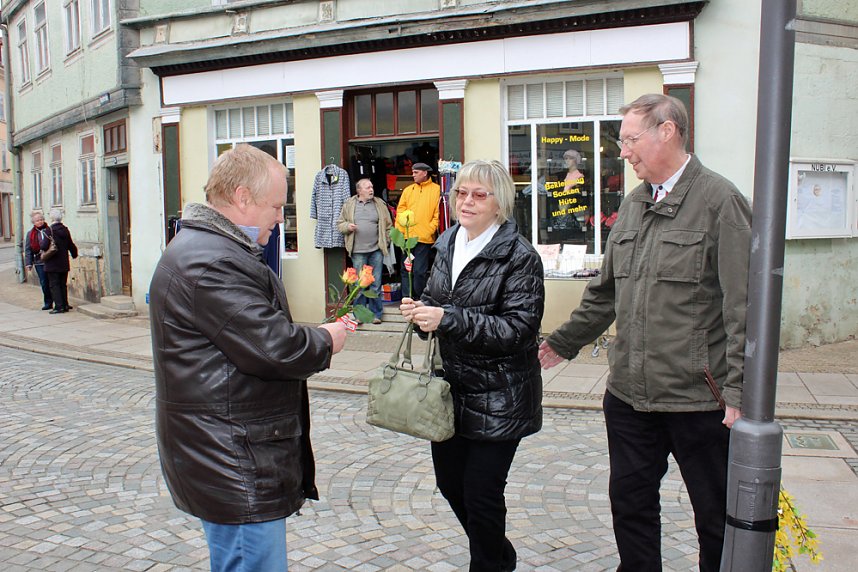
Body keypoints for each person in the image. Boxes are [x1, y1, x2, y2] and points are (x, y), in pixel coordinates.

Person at [538, 94, 752, 572]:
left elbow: (744, 306)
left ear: (667, 132)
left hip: (699, 399)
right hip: (629, 396)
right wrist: (560, 343)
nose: (624, 151)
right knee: (631, 506)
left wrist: (739, 390)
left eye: (631, 139)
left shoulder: (721, 201)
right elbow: (605, 294)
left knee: (715, 518)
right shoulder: (633, 205)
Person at [149, 144, 347, 571]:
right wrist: (327, 338)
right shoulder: (212, 262)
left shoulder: (207, 250)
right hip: (233, 459)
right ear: (242, 197)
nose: (280, 218)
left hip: (228, 450)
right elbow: (275, 348)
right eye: (276, 206)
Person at [400, 160, 544, 571]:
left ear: (500, 203)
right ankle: (501, 554)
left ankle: (488, 564)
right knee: (450, 484)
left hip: (501, 392)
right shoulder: (447, 242)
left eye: (479, 195)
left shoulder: (519, 256)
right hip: (450, 389)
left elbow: (519, 328)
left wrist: (448, 319)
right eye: (461, 192)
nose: (466, 201)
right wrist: (422, 311)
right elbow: (435, 294)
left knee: (482, 491)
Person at [337, 178, 392, 324]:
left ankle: (376, 315)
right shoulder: (349, 204)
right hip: (358, 251)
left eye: (372, 187)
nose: (371, 190)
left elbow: (388, 225)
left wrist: (385, 241)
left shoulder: (379, 204)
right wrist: (348, 226)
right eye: (367, 187)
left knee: (375, 284)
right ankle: (359, 315)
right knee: (359, 286)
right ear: (359, 190)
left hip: (376, 250)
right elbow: (340, 223)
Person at [395, 161, 440, 299]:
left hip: (423, 239)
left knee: (420, 271)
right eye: (412, 172)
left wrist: (429, 229)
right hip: (407, 238)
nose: (412, 175)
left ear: (425, 173)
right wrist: (401, 233)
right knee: (405, 269)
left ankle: (420, 299)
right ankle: (406, 299)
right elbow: (400, 212)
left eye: (416, 172)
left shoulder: (437, 190)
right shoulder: (408, 190)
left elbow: (438, 214)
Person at [40, 209, 78, 314]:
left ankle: (59, 306)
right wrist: (74, 254)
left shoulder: (50, 230)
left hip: (52, 263)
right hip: (63, 262)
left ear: (52, 218)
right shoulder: (65, 229)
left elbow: (43, 245)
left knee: (54, 285)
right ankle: (65, 304)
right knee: (62, 284)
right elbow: (71, 244)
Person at [24, 210, 54, 310]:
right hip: (39, 261)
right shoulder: (30, 234)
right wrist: (29, 263)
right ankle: (48, 302)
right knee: (44, 282)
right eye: (37, 220)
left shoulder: (49, 230)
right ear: (33, 222)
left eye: (41, 219)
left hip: (50, 259)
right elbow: (28, 249)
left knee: (54, 281)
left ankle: (59, 301)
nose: (40, 222)